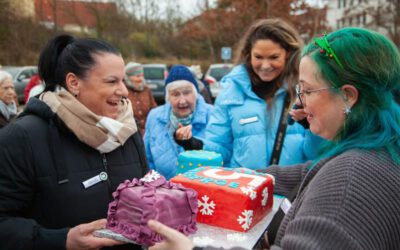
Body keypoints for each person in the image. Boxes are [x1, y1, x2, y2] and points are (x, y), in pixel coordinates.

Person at [147, 27, 400, 249]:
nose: (300, 100)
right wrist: (236, 178)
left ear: (348, 96)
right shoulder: (376, 151)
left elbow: (327, 175)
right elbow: (309, 172)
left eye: (309, 90)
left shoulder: (347, 183)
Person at [0, 34, 149, 249]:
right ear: (74, 83)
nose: (124, 91)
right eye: (112, 81)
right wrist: (62, 241)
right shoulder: (22, 138)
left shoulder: (127, 131)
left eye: (123, 80)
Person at [176, 18, 322, 169]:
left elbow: (319, 154)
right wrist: (194, 144)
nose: (265, 66)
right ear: (248, 54)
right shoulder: (230, 93)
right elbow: (221, 149)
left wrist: (310, 128)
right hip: (243, 189)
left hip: (292, 190)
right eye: (258, 57)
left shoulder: (305, 92)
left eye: (274, 57)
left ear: (288, 54)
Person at [144, 64, 213, 179]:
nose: (182, 100)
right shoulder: (154, 117)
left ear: (196, 94)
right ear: (168, 97)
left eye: (186, 92)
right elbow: (147, 158)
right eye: (175, 94)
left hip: (205, 192)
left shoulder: (213, 115)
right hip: (165, 192)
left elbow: (223, 156)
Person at [125, 62, 157, 135]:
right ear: (128, 77)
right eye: (137, 76)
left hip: (148, 131)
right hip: (131, 133)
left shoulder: (146, 90)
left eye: (142, 76)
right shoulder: (123, 91)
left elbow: (153, 108)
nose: (141, 79)